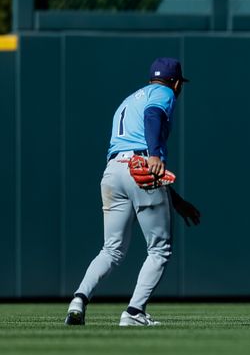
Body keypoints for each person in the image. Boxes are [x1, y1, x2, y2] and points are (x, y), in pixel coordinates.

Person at [64, 57, 201, 327]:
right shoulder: (164, 93)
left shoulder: (128, 101)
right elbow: (153, 116)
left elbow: (130, 157)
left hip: (113, 172)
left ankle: (78, 299)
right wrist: (155, 154)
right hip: (140, 166)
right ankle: (134, 312)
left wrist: (176, 200)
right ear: (175, 82)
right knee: (160, 250)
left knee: (111, 249)